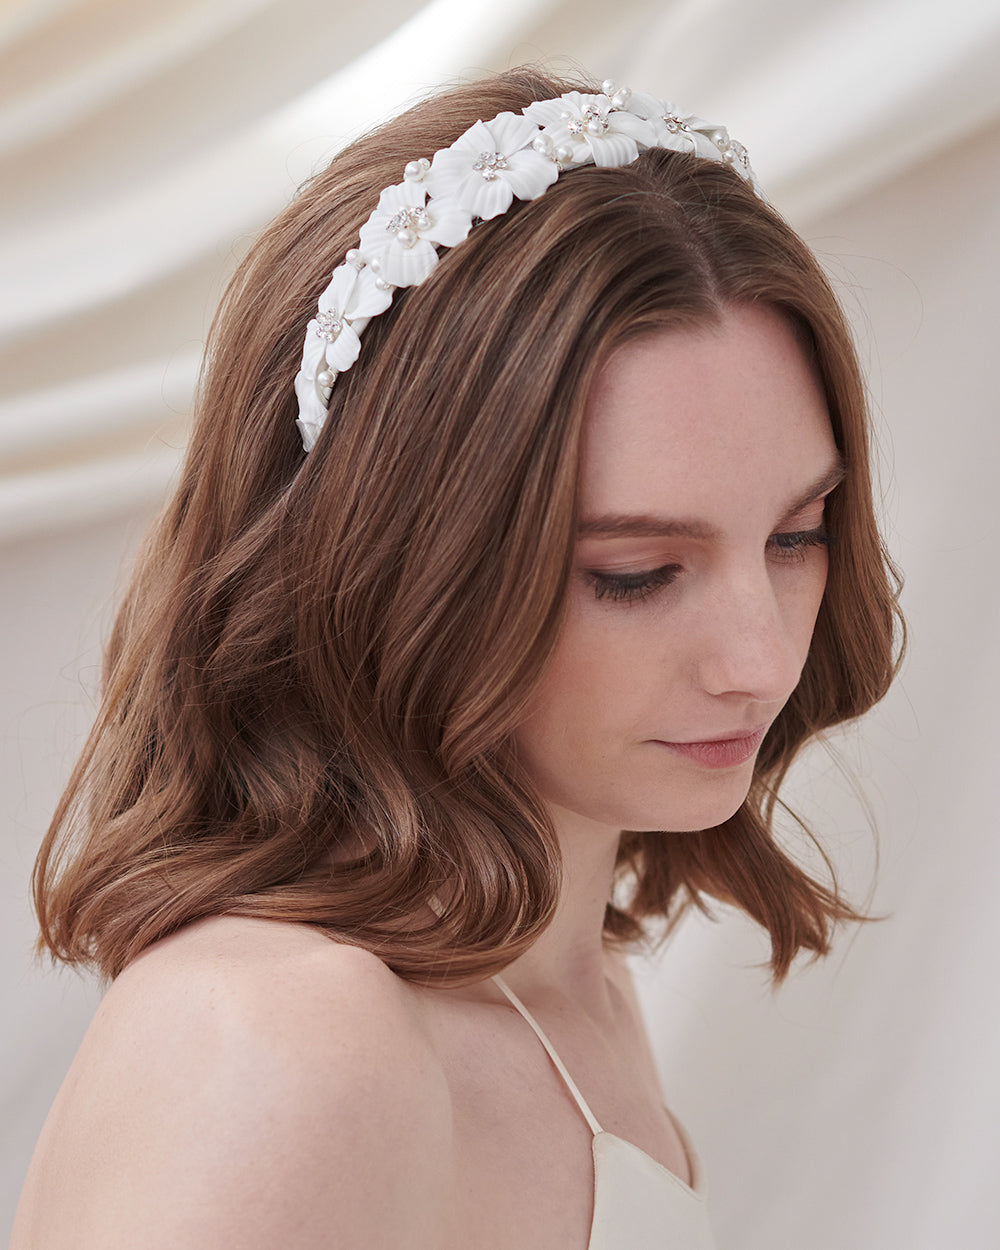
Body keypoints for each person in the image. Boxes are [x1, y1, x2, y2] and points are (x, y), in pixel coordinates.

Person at [12, 66, 903, 1249]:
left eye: (798, 535)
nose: (758, 656)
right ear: (400, 562)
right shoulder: (273, 1039)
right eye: (632, 573)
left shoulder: (571, 994)